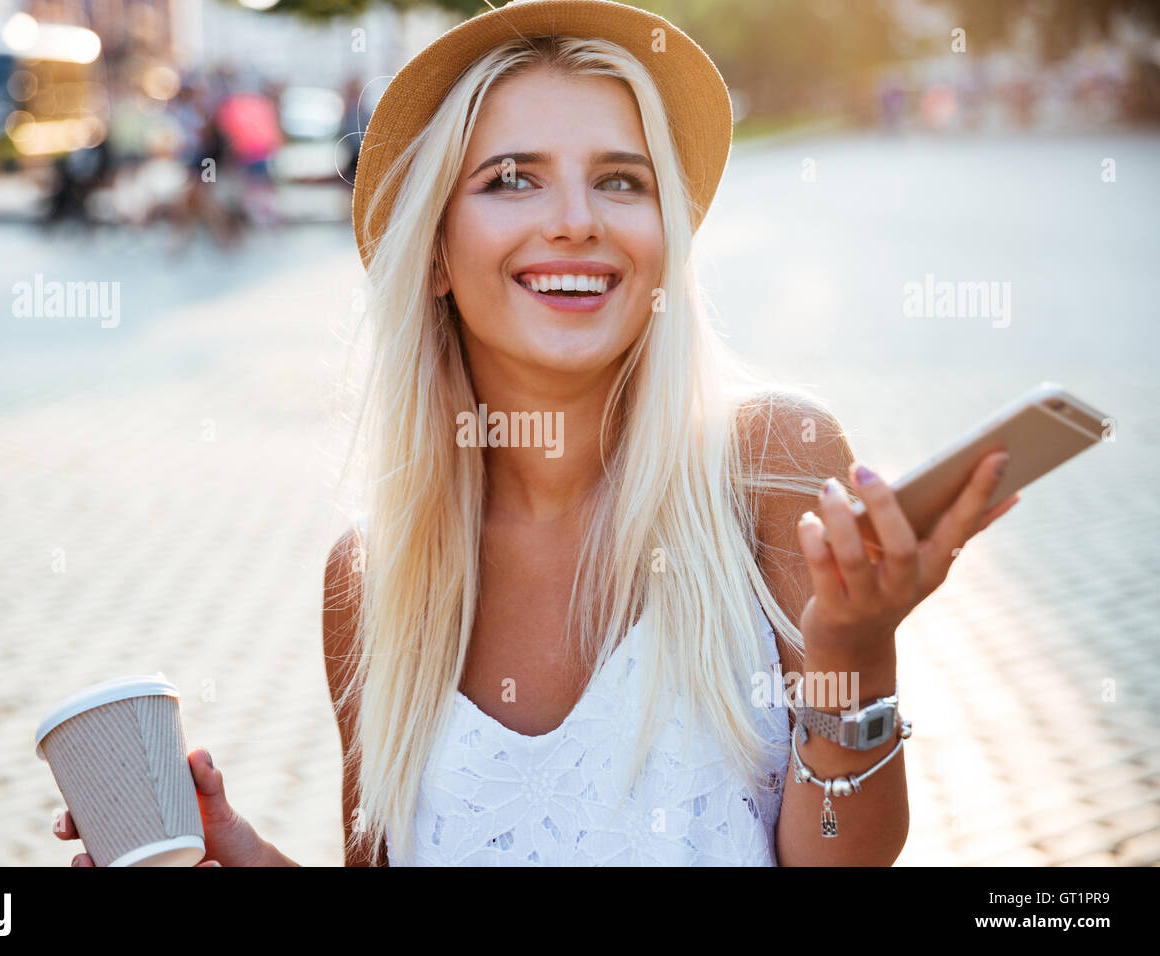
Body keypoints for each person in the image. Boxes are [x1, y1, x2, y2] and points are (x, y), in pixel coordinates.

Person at [56, 0, 1020, 867]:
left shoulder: (771, 463)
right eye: (513, 180)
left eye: (620, 181)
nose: (575, 223)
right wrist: (245, 859)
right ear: (434, 252)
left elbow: (840, 863)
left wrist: (854, 648)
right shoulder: (373, 579)